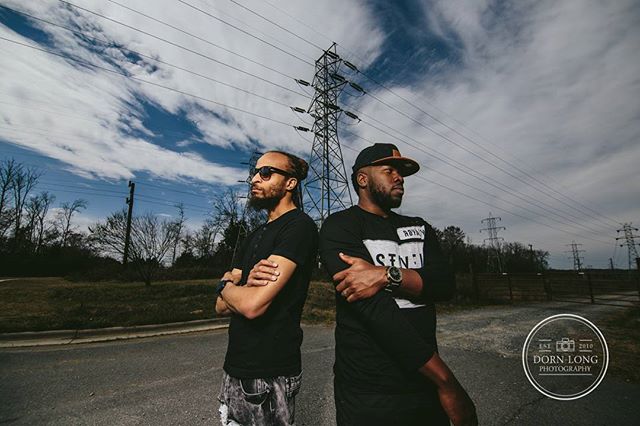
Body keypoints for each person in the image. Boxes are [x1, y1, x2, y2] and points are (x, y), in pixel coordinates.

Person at [318, 143, 477, 426]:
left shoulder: (419, 226)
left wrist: (386, 275)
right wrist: (447, 381)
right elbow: (377, 312)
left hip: (423, 387)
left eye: (401, 173)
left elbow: (444, 284)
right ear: (362, 179)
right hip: (368, 391)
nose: (399, 178)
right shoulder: (340, 226)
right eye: (389, 170)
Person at [215, 151, 318, 426]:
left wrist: (226, 285)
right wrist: (235, 287)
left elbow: (252, 305)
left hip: (269, 373)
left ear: (290, 183)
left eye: (266, 172)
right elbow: (220, 307)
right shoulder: (254, 235)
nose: (254, 179)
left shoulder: (299, 227)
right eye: (255, 172)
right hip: (235, 368)